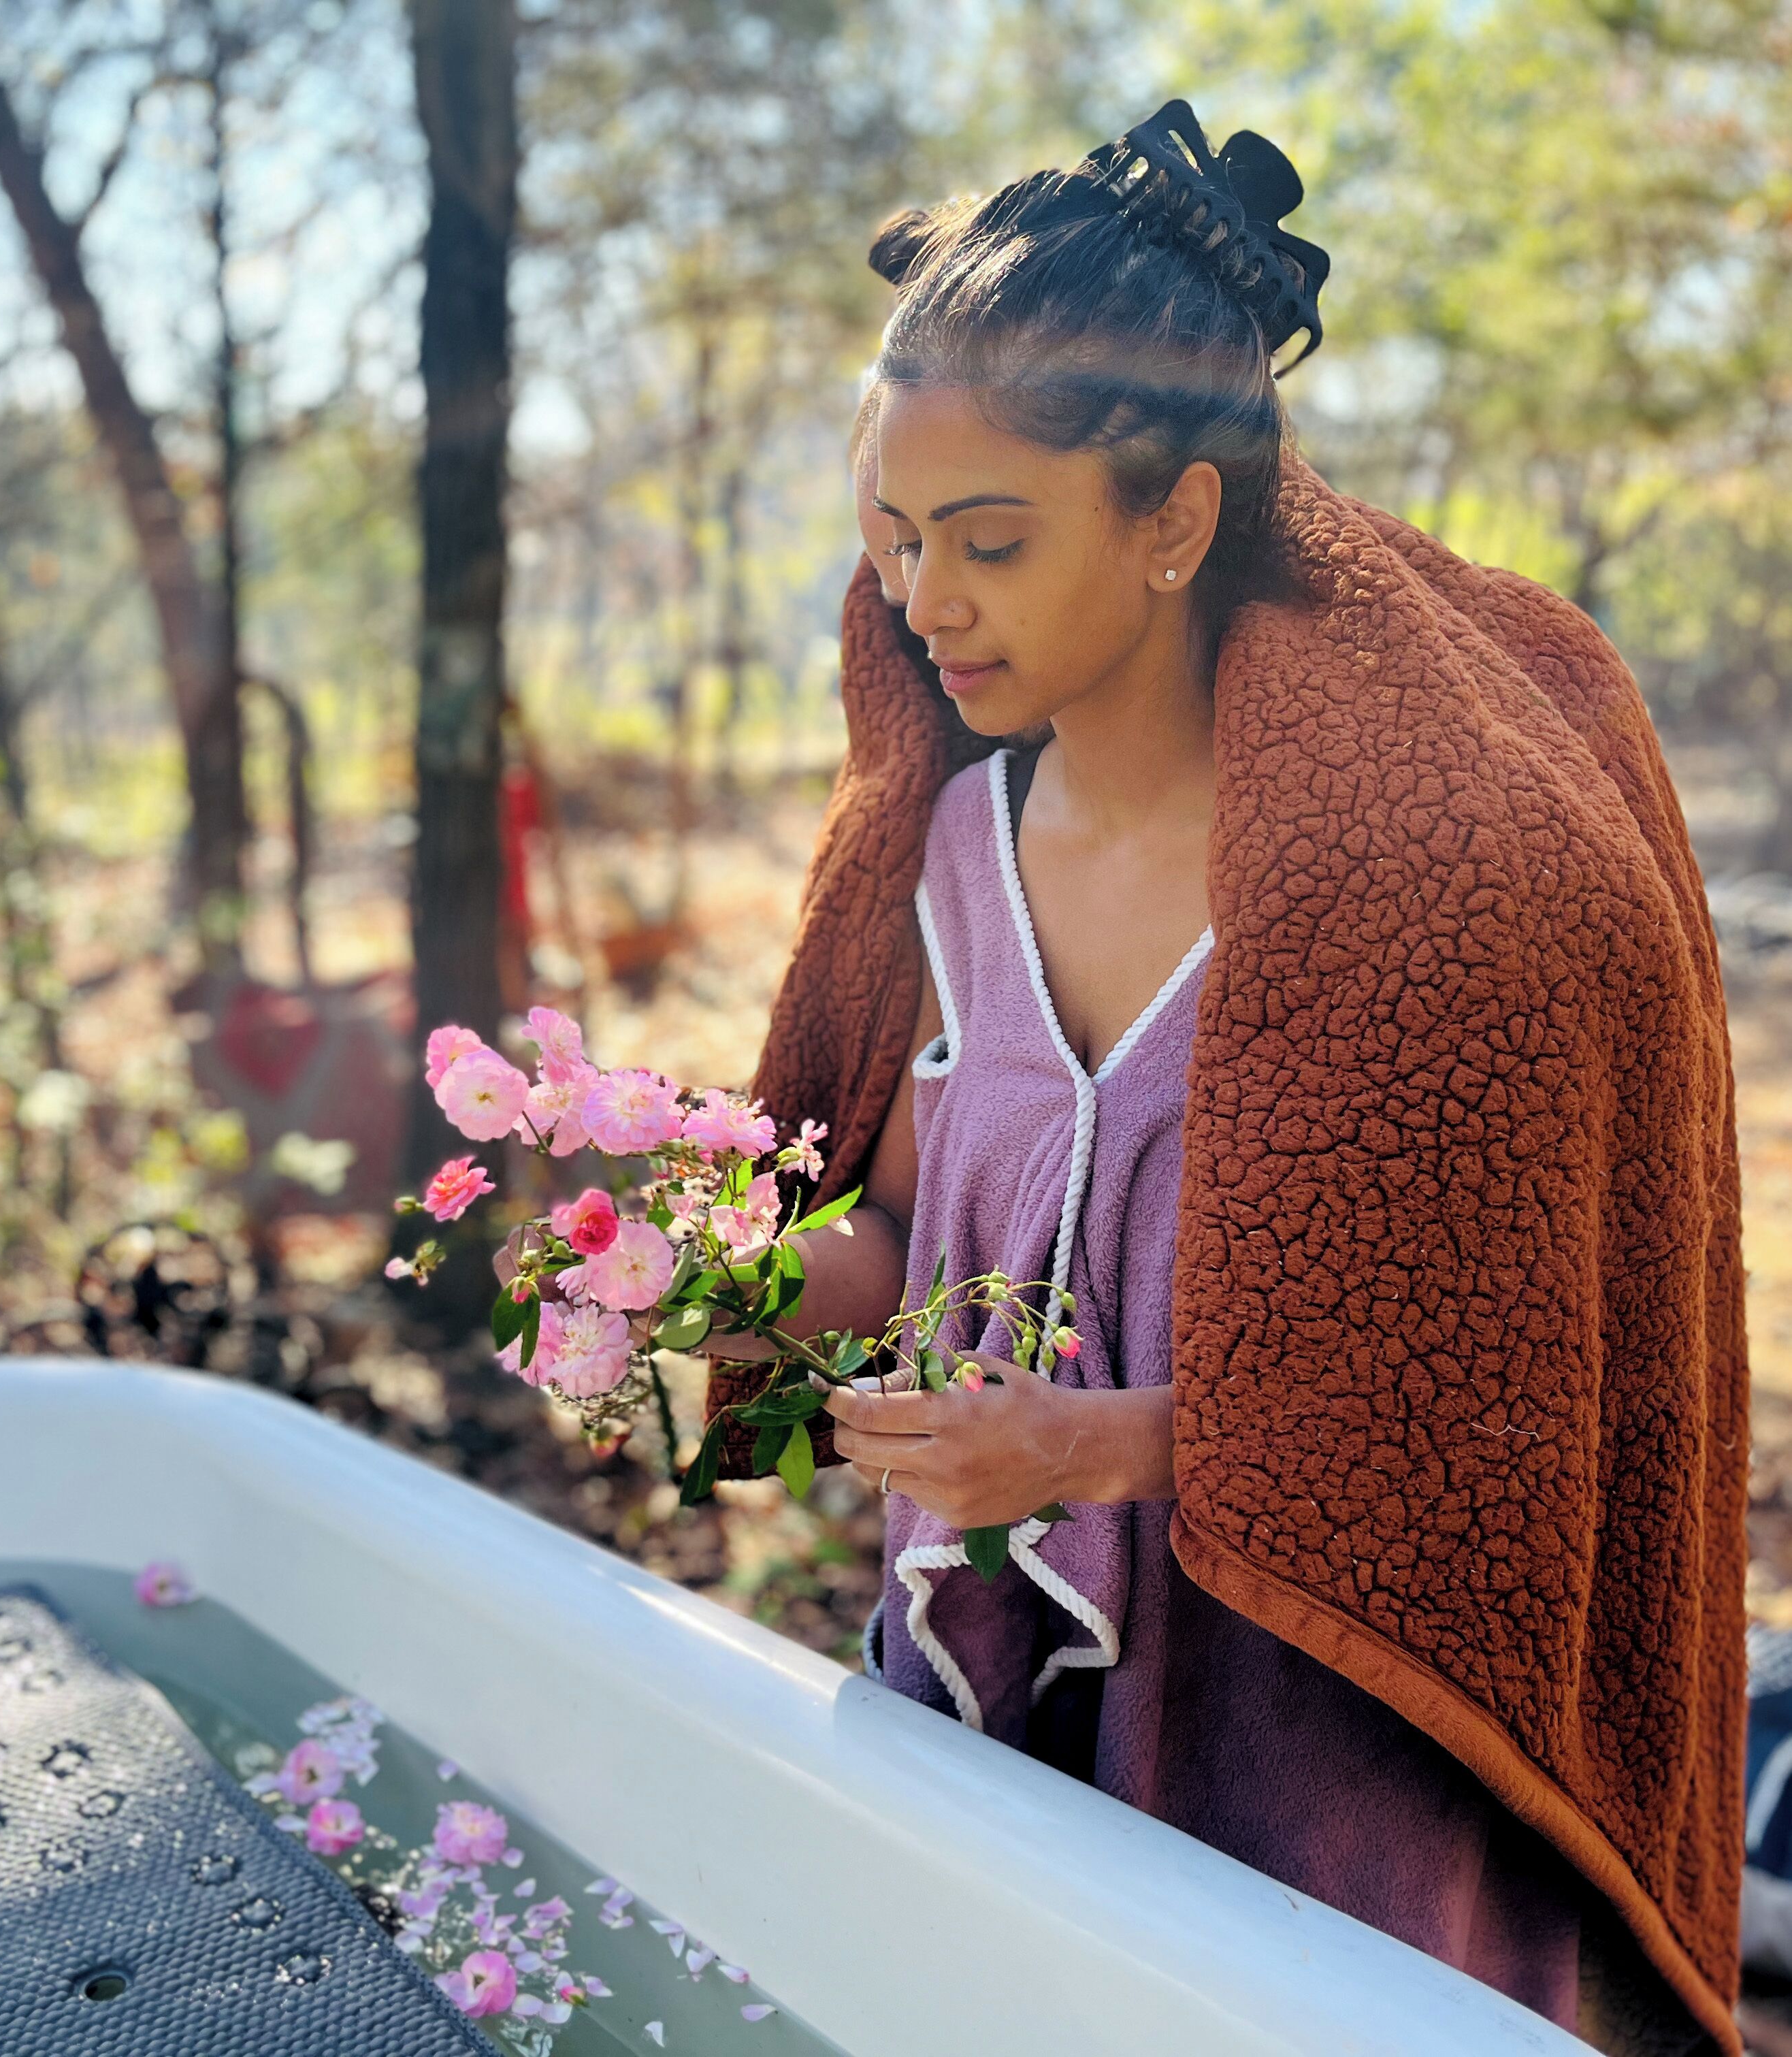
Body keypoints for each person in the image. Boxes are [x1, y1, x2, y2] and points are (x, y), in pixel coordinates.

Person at [712, 102, 1747, 2054]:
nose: (929, 602)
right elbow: (911, 1231)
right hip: (1026, 1692)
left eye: (992, 542)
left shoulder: (1426, 884)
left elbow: (1500, 1400)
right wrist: (710, 1286)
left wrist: (1095, 1450)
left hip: (1332, 1737)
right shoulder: (944, 856)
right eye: (896, 540)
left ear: (1175, 519)